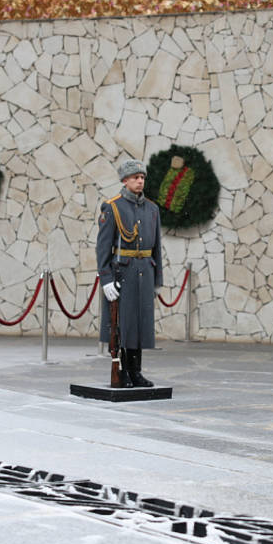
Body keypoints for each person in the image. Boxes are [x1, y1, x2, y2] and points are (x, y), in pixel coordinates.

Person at [96, 159, 163, 388]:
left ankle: (136, 372)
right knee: (122, 325)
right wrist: (105, 278)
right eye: (135, 178)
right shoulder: (112, 207)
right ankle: (121, 371)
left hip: (144, 272)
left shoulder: (152, 209)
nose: (140, 181)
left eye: (142, 177)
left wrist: (157, 280)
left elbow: (156, 248)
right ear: (125, 181)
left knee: (140, 325)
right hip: (121, 275)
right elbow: (103, 247)